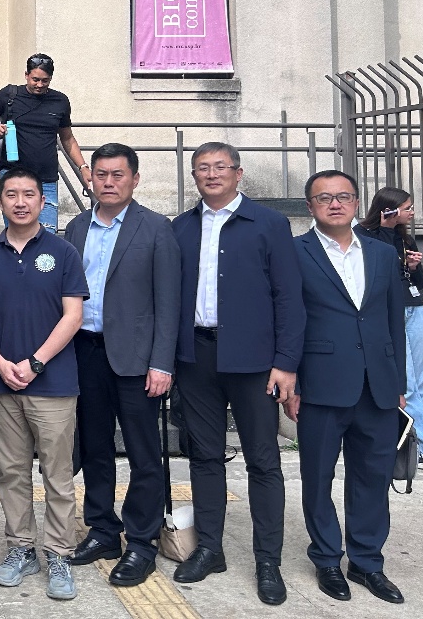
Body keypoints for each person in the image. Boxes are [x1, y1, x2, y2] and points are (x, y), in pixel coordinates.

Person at [171, 142, 305, 606]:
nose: (211, 174)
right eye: (202, 168)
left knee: (263, 461)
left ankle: (268, 560)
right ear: (194, 175)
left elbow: (288, 297)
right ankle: (210, 548)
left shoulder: (268, 224)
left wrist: (286, 363)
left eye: (220, 167)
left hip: (254, 361)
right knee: (204, 457)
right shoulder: (180, 227)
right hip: (196, 357)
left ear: (238, 173)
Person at [287, 170, 407, 605]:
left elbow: (394, 319)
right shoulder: (294, 252)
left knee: (372, 477)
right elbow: (289, 319)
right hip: (319, 383)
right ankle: (326, 559)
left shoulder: (381, 252)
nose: (335, 204)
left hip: (377, 385)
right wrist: (291, 380)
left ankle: (367, 562)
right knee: (317, 476)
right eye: (324, 198)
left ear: (357, 203)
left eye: (343, 196)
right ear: (310, 206)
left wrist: (399, 382)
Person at [63, 143, 181, 587]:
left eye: (117, 175)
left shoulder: (156, 228)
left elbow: (168, 303)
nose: (108, 182)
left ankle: (142, 542)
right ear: (90, 178)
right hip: (86, 353)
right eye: (101, 174)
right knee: (95, 448)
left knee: (143, 453)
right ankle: (103, 530)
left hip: (137, 360)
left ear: (135, 179)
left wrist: (162, 363)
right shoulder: (77, 227)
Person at [0, 168, 87, 601]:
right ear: (1, 201)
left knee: (57, 475)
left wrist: (36, 362)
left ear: (43, 202)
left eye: (29, 194)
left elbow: (73, 316)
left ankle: (59, 552)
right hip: (1, 382)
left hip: (54, 384)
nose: (20, 202)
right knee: (11, 472)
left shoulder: (63, 252)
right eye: (11, 194)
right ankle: (21, 548)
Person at [358, 188, 423, 469]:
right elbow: (376, 271)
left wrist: (414, 267)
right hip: (389, 313)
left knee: (420, 384)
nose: (412, 212)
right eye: (407, 208)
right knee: (405, 384)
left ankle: (416, 446)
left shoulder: (404, 238)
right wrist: (385, 229)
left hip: (415, 309)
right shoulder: (364, 236)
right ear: (389, 209)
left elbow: (417, 283)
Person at [0, 53, 91, 233]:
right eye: (35, 79)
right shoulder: (9, 95)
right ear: (26, 75)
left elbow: (67, 138)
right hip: (12, 177)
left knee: (48, 236)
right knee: (17, 234)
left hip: (46, 179)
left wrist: (83, 167)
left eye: (45, 81)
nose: (40, 85)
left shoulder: (60, 101)